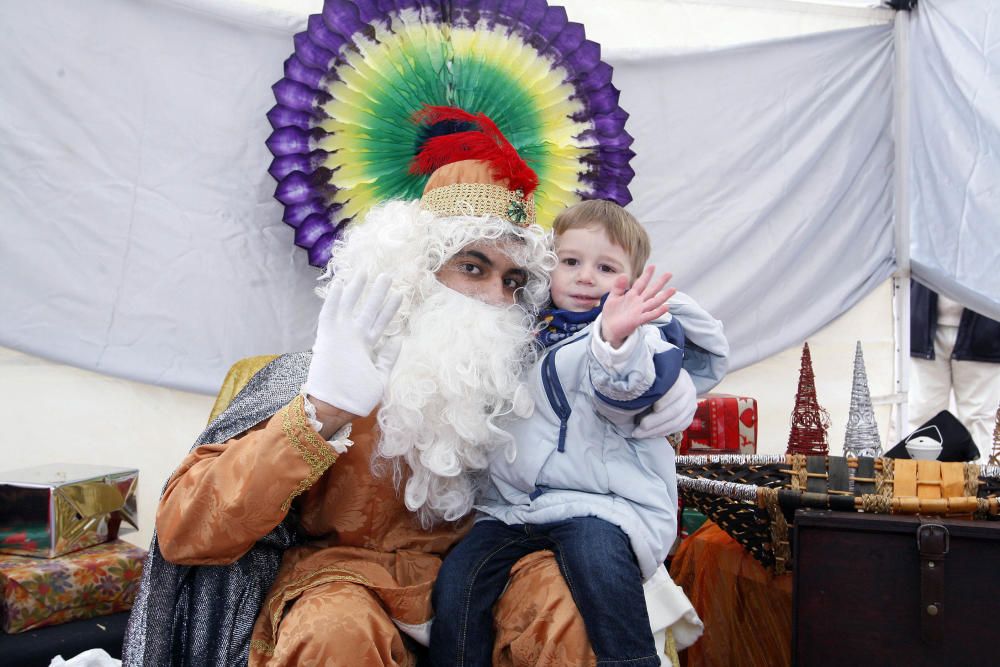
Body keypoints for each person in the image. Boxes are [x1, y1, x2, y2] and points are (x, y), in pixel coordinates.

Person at [123, 112, 712, 667]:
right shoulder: (321, 372)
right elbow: (183, 532)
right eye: (473, 268)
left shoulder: (529, 369)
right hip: (347, 581)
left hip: (492, 568)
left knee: (569, 600)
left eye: (514, 280)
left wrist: (668, 381)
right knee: (334, 632)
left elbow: (615, 353)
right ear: (412, 269)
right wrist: (321, 409)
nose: (495, 299)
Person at [431, 201, 726, 667]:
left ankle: (632, 661)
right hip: (516, 506)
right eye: (570, 262)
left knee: (600, 570)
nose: (586, 277)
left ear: (632, 280)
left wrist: (615, 343)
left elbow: (622, 395)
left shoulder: (636, 335)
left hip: (604, 504)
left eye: (606, 268)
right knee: (459, 583)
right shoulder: (525, 329)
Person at [909, 280, 1000, 456]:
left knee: (983, 423)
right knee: (923, 417)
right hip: (924, 321)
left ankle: (984, 481)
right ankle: (922, 480)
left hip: (987, 327)